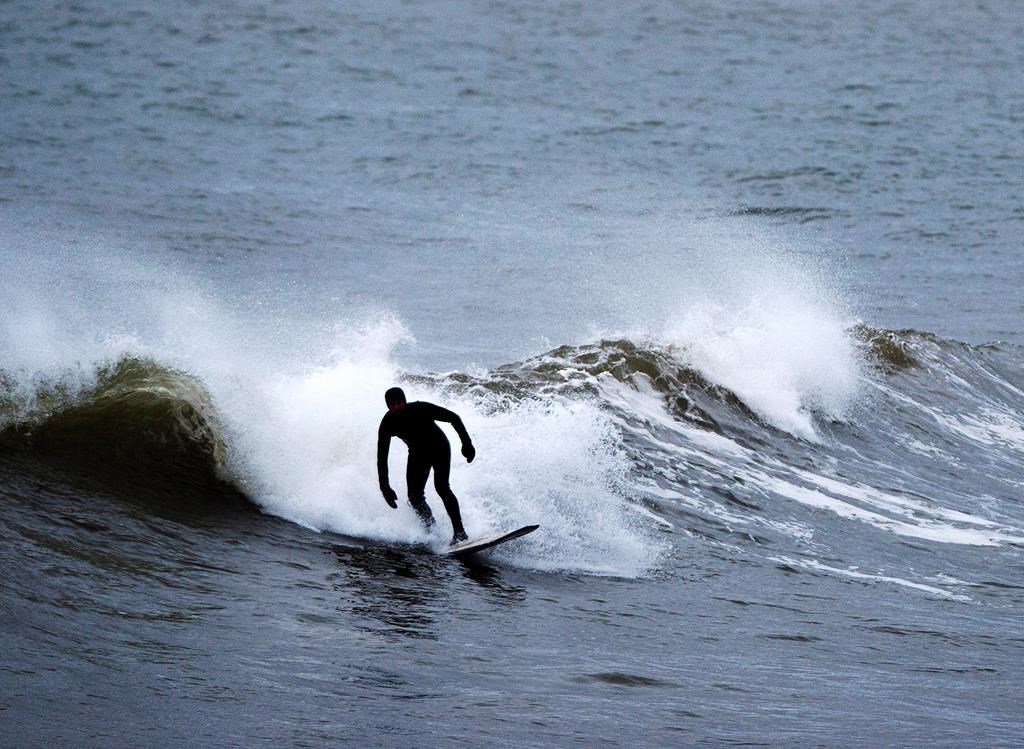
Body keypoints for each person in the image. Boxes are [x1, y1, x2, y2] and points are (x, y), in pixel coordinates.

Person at [376, 387, 475, 544]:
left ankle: (460, 533)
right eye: (392, 405)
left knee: (442, 488)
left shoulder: (421, 408)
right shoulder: (388, 423)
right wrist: (384, 486)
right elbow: (382, 456)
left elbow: (454, 418)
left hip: (439, 448)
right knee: (414, 498)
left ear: (404, 401)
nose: (396, 407)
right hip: (417, 455)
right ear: (387, 406)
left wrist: (467, 444)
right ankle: (433, 533)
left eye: (398, 403)